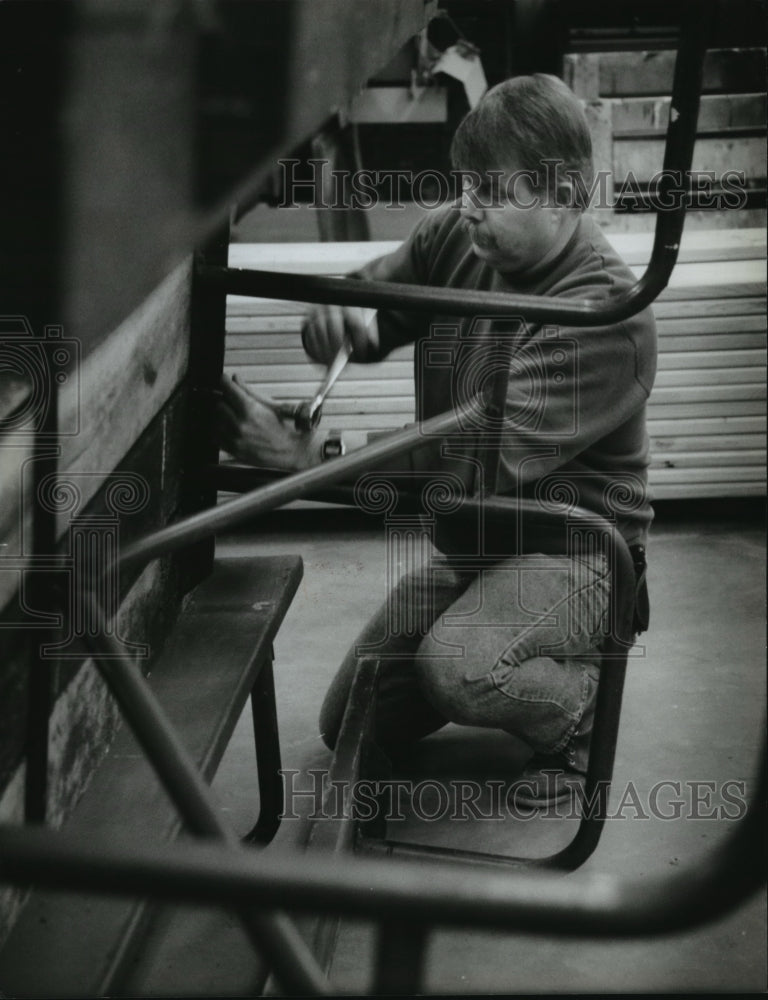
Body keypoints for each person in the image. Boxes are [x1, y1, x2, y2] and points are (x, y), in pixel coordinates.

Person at [217, 74, 656, 806]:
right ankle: (498, 643)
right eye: (464, 183)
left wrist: (310, 462)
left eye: (491, 188)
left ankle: (581, 711)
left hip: (577, 553)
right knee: (352, 720)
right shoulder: (460, 234)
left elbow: (468, 461)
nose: (468, 205)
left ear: (566, 197)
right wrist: (344, 321)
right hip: (481, 540)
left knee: (456, 669)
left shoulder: (603, 314)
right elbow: (380, 299)